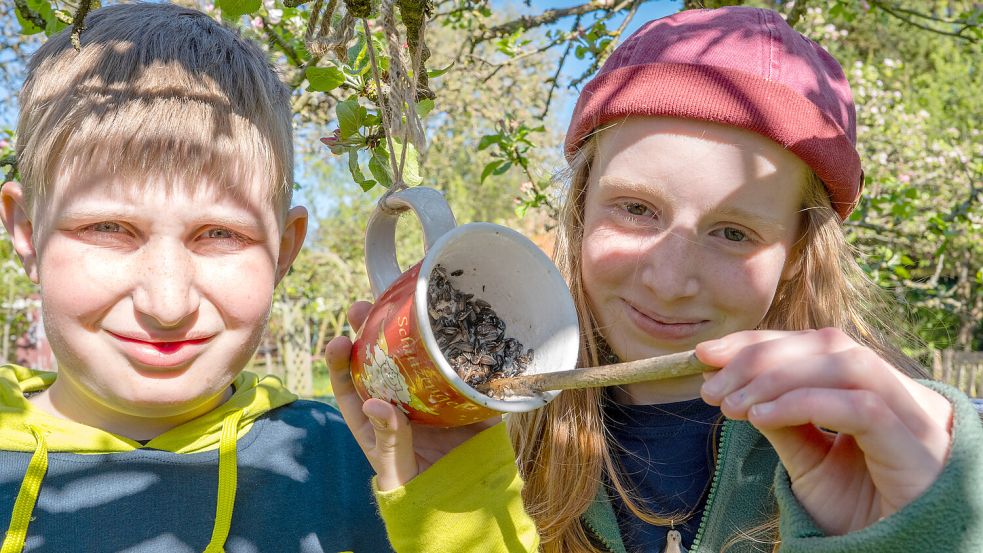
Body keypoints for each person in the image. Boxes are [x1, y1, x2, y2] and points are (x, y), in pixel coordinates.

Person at [326, 6, 983, 552]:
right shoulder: (506, 437)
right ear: (579, 211)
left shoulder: (894, 454)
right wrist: (455, 506)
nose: (668, 281)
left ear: (797, 251)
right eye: (636, 209)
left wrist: (924, 523)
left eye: (732, 233)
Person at [0, 4, 397, 552]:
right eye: (109, 228)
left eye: (220, 235)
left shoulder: (363, 463)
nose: (167, 304)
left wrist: (456, 497)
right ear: (25, 232)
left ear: (284, 251)